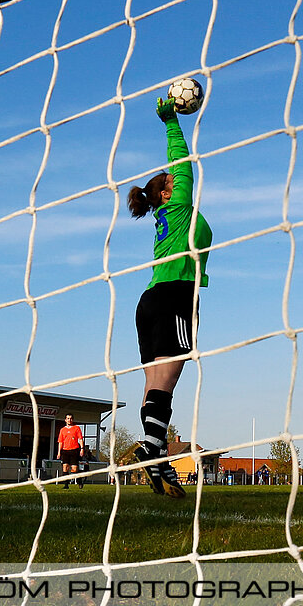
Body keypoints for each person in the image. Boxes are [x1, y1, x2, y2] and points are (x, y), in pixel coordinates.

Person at [126, 94, 213, 499]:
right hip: (175, 294)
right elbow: (182, 163)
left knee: (155, 385)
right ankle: (150, 448)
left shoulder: (168, 217)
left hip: (150, 299)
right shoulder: (177, 209)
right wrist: (171, 123)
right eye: (174, 183)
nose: (181, 182)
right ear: (166, 194)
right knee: (168, 378)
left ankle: (159, 463)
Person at [58, 415, 87, 489]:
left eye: (70, 418)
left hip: (74, 450)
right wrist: (59, 452)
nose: (69, 420)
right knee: (65, 467)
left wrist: (82, 448)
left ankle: (79, 481)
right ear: (65, 420)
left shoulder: (76, 428)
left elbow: (80, 439)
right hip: (65, 450)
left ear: (72, 420)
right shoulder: (62, 430)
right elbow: (60, 442)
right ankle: (66, 485)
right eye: (68, 418)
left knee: (74, 469)